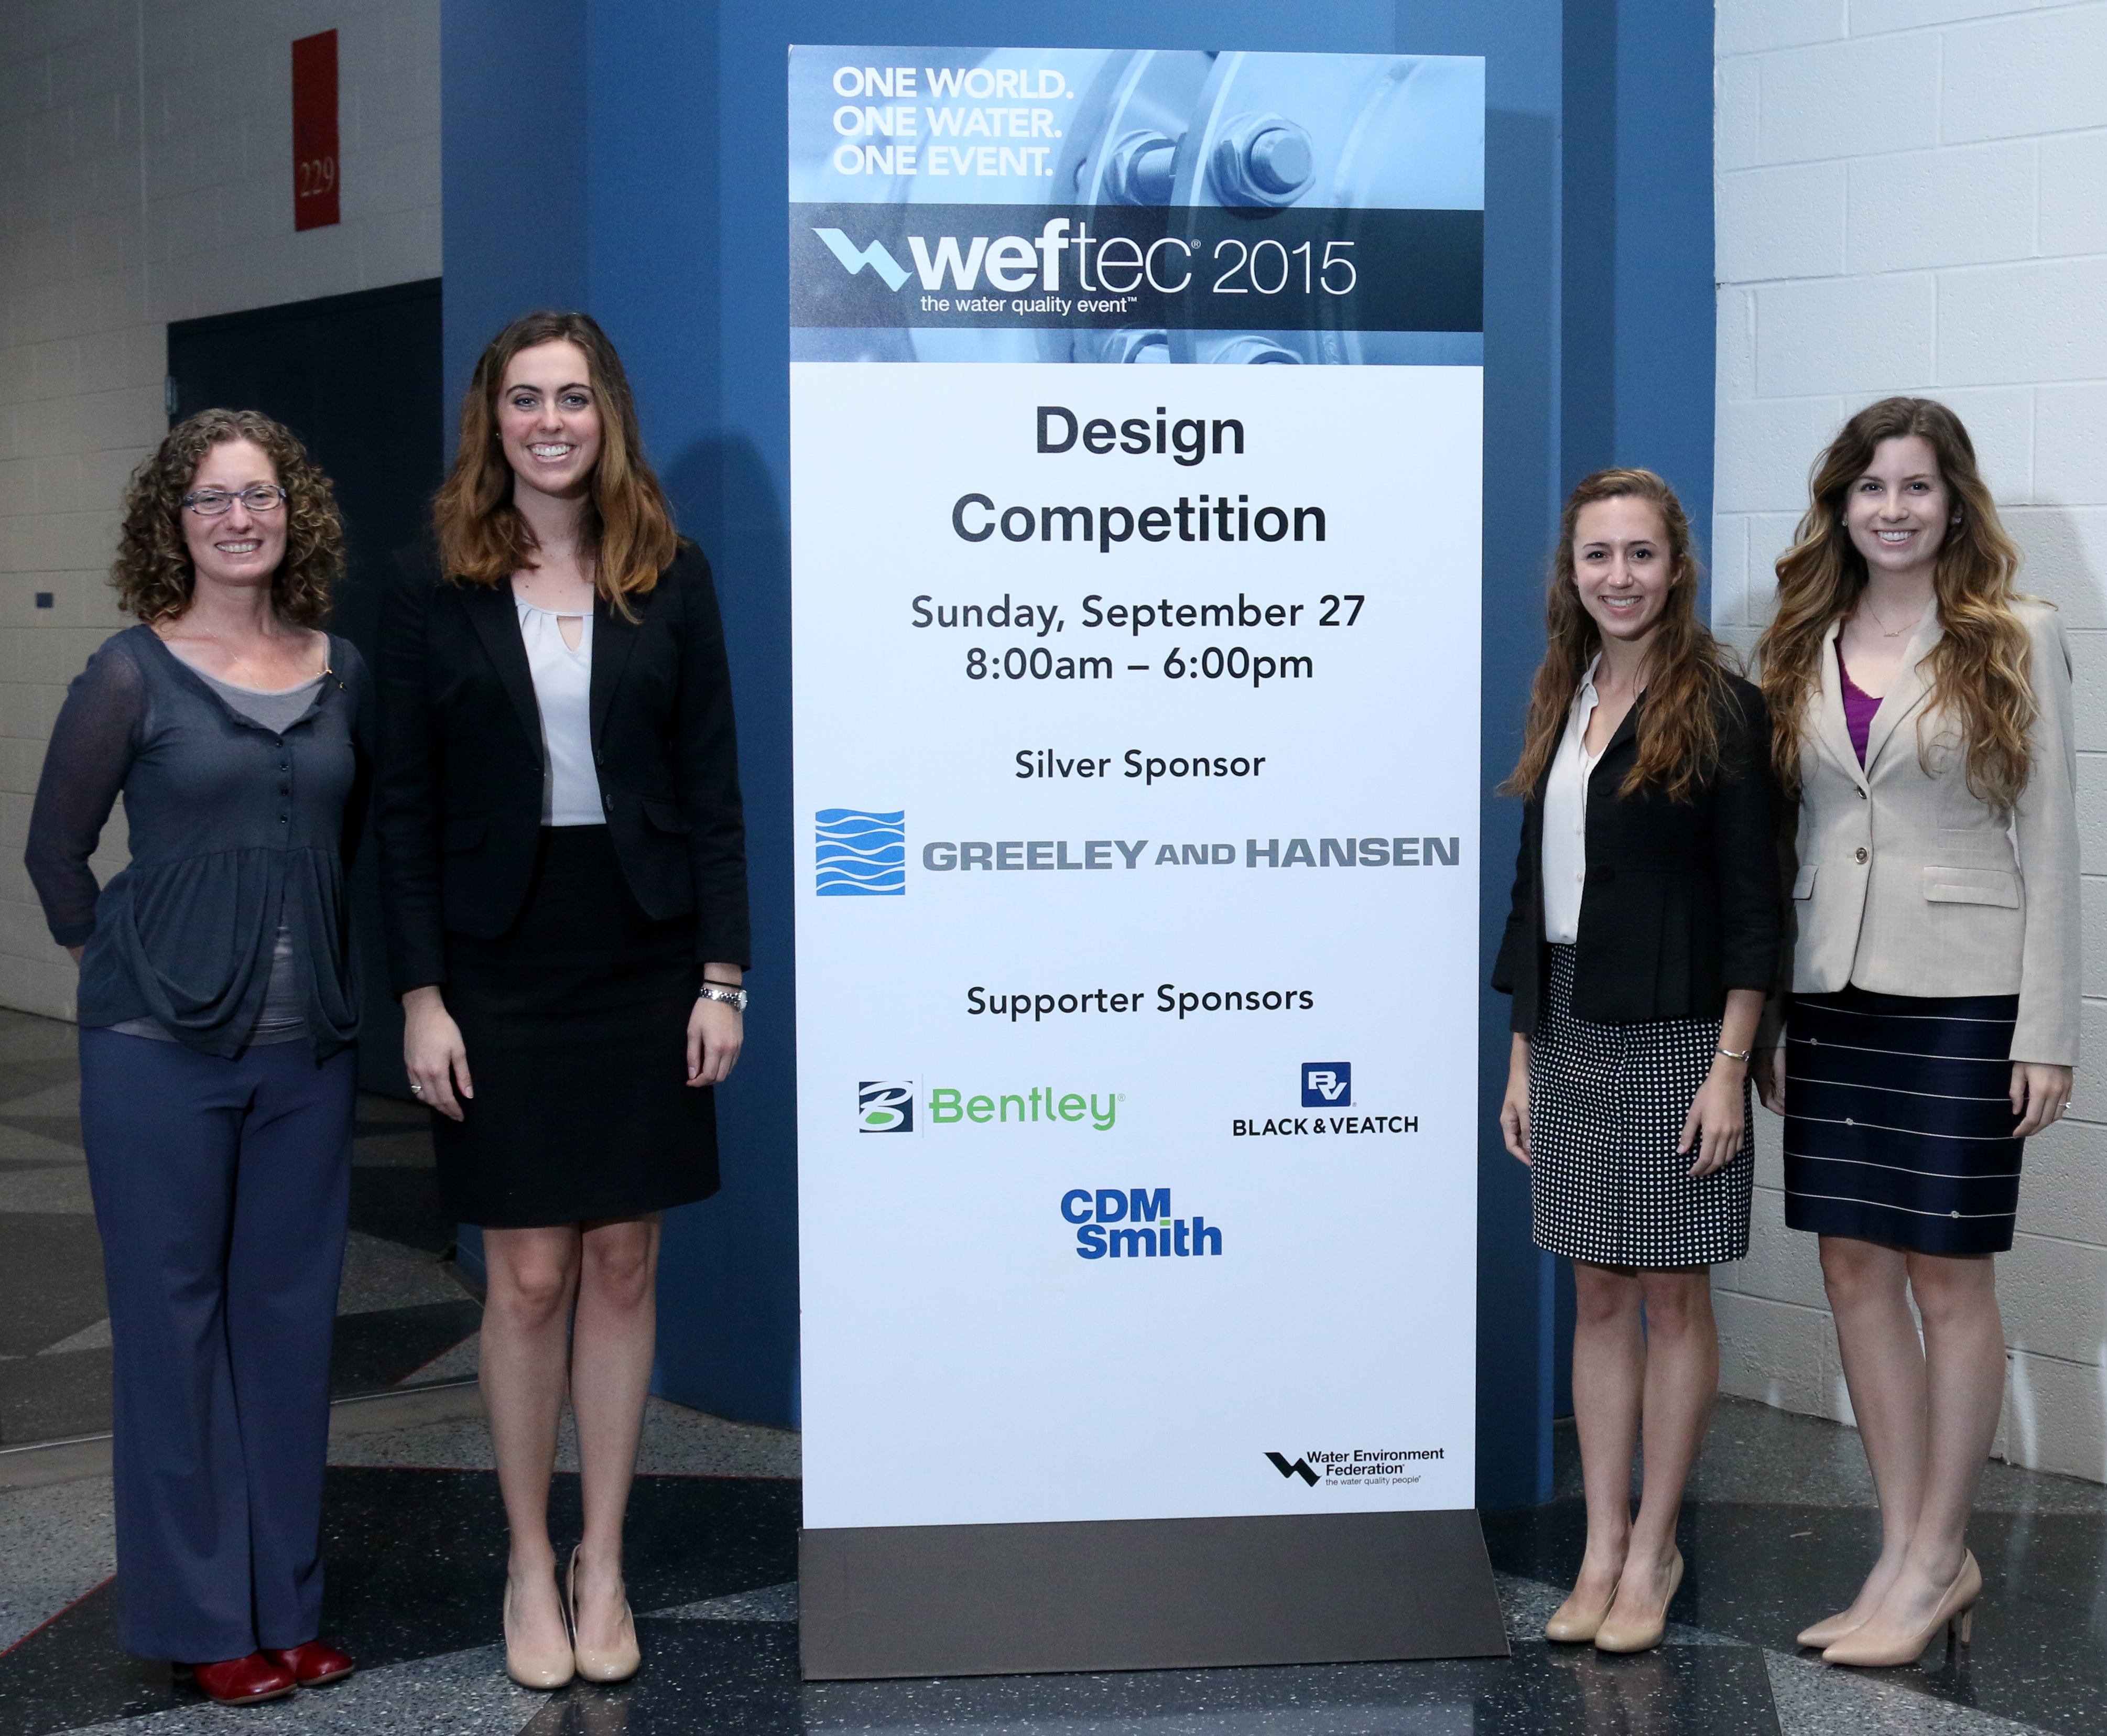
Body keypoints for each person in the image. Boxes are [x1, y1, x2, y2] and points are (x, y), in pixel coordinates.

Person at [377, 310, 750, 1690]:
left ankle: (605, 1555)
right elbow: (401, 810)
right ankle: (527, 1557)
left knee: (624, 1260)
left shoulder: (673, 571)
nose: (551, 421)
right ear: (494, 419)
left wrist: (726, 977)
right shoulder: (432, 583)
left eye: (575, 398)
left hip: (644, 952)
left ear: (610, 418)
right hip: (496, 956)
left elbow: (715, 790)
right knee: (527, 1273)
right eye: (525, 398)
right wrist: (420, 993)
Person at [24, 409, 371, 1706]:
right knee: (173, 1337)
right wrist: (113, 963)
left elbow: (357, 836)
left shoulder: (343, 669)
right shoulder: (129, 673)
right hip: (154, 1053)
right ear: (173, 524)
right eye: (212, 499)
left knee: (287, 1331)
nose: (240, 518)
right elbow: (55, 853)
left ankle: (289, 1607)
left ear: (296, 514)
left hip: (310, 1055)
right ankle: (199, 1617)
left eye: (261, 495)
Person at [1753, 398, 2076, 1668]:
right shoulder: (1799, 642)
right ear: (1840, 504)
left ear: (1955, 503)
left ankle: (1941, 1554)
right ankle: (1903, 1554)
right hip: (1831, 993)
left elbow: (2052, 845)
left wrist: (2044, 1030)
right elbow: (1792, 847)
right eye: (1871, 487)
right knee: (1851, 1270)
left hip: (1967, 996)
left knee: (1950, 1275)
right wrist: (1772, 1011)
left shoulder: (2015, 636)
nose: (1894, 508)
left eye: (1919, 487)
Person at [1494, 469, 1780, 1655]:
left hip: (1677, 1029)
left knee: (1671, 1292)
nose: (1620, 577)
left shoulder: (1721, 704)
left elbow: (1756, 904)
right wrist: (1521, 1050)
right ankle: (1601, 1542)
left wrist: (1731, 1064)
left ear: (1678, 567)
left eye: (1641, 555)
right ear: (1572, 572)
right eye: (1598, 556)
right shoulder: (1566, 693)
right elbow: (1536, 886)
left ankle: (1656, 1545)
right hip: (1566, 1021)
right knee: (1596, 1290)